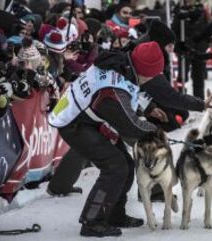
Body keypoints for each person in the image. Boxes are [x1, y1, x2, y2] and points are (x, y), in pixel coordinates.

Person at [48, 41, 164, 237]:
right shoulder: (114, 90)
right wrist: (156, 133)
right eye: (154, 74)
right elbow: (131, 125)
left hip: (87, 117)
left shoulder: (121, 64)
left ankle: (113, 214)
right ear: (145, 70)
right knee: (115, 166)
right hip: (74, 124)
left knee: (125, 163)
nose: (154, 78)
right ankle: (92, 221)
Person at [172, 0, 209, 99]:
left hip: (199, 47)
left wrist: (205, 44)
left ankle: (199, 99)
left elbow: (206, 28)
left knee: (199, 75)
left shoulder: (201, 10)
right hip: (184, 47)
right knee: (182, 75)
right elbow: (174, 28)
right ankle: (181, 98)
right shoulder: (179, 10)